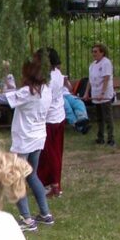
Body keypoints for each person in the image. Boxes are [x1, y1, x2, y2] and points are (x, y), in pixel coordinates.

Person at [0, 59, 54, 232]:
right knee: (32, 174)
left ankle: (27, 219)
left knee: (15, 177)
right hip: (38, 137)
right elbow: (13, 94)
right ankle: (45, 214)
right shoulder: (45, 90)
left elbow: (3, 98)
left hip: (24, 140)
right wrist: (6, 77)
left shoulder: (28, 92)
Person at [37, 48, 66, 198]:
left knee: (51, 153)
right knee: (52, 152)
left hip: (51, 119)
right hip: (58, 116)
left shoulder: (50, 78)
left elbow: (45, 99)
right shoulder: (58, 74)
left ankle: (55, 184)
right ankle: (47, 181)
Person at [83, 42, 115, 147]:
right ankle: (100, 137)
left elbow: (106, 79)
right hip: (95, 95)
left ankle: (111, 139)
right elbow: (90, 80)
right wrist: (87, 93)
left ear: (102, 52)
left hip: (105, 96)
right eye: (93, 52)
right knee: (99, 118)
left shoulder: (106, 63)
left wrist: (102, 93)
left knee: (108, 117)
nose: (94, 53)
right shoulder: (92, 65)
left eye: (96, 51)